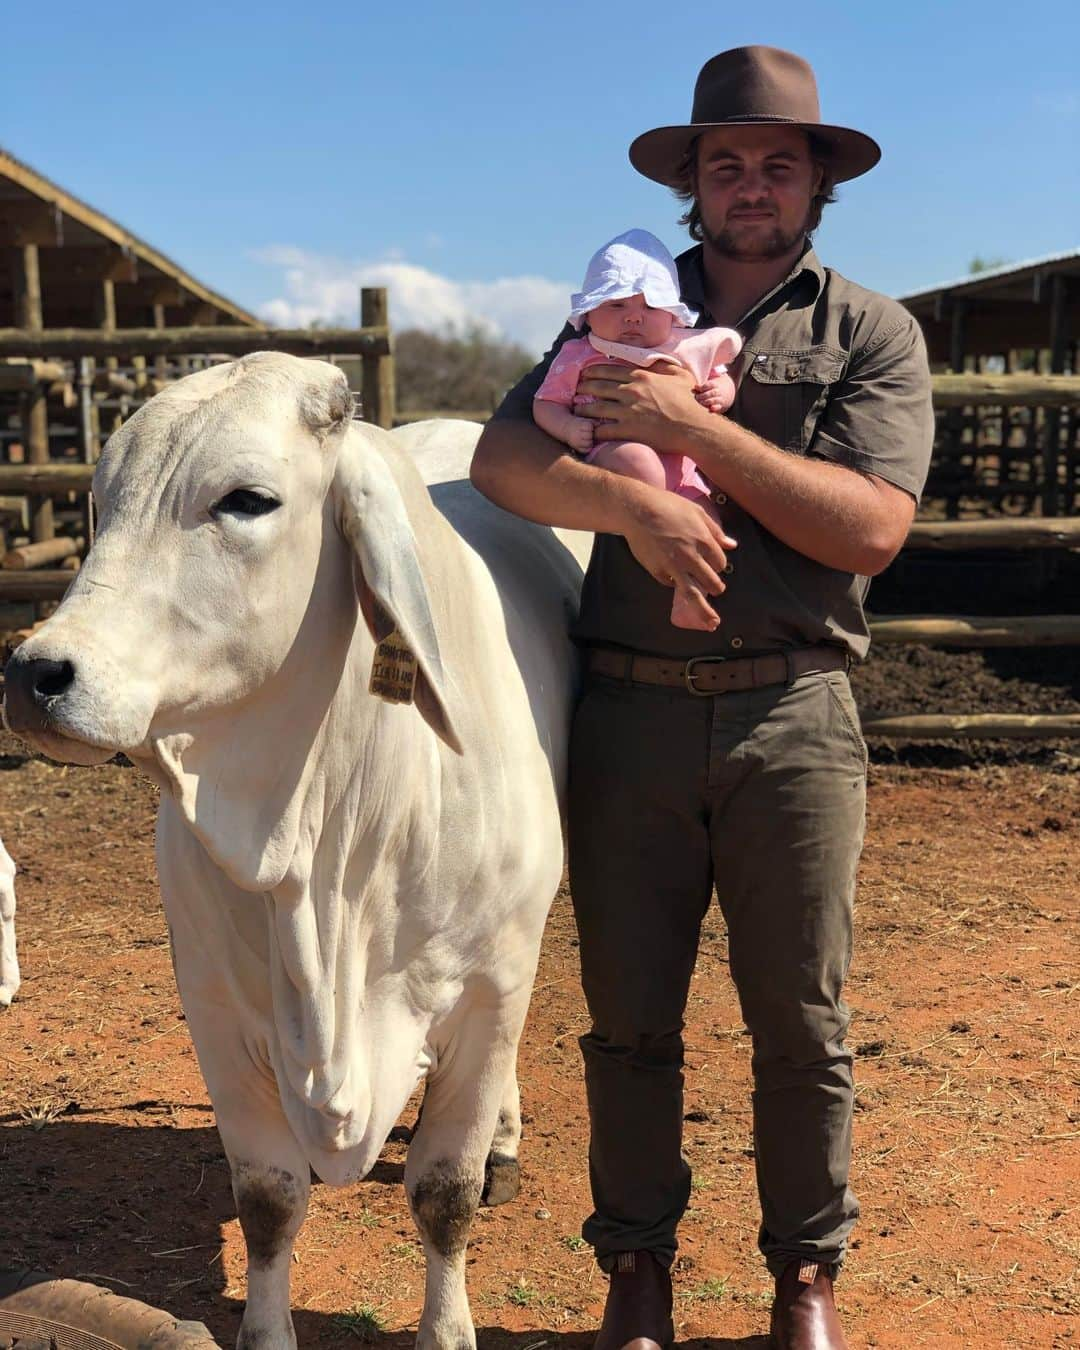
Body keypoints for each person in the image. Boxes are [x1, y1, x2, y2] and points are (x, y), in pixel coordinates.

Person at [471, 45, 934, 1350]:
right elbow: (505, 455)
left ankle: (804, 1274)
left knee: (802, 1019)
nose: (749, 183)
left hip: (795, 714)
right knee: (628, 1018)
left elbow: (870, 530)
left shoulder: (868, 333)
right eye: (724, 162)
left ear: (817, 183)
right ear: (691, 179)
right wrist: (627, 502)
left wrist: (693, 427)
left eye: (777, 163)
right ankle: (637, 1270)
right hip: (627, 711)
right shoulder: (620, 305)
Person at [533, 228, 741, 629]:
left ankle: (688, 595)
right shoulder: (580, 354)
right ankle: (651, 534)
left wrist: (721, 392)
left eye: (649, 306)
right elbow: (546, 403)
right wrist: (568, 427)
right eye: (616, 304)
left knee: (709, 522)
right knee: (640, 462)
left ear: (672, 314)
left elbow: (720, 375)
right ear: (589, 314)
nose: (633, 316)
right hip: (615, 451)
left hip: (682, 473)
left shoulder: (686, 347)